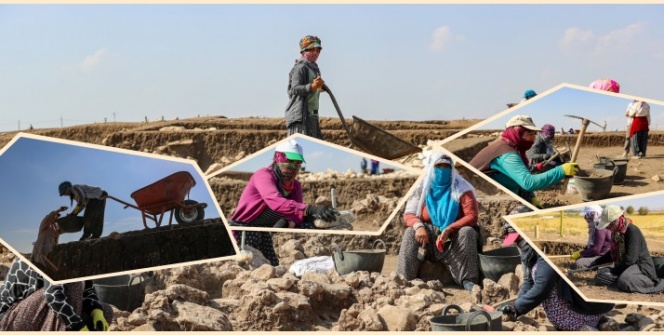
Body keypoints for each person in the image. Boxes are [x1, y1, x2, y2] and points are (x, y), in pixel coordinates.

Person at [229, 139, 337, 265]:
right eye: (290, 161)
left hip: (264, 232)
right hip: (243, 230)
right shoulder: (263, 175)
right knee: (248, 266)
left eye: (298, 163)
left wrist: (288, 221)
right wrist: (310, 209)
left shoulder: (295, 186)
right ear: (277, 158)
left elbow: (297, 216)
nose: (293, 166)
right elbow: (276, 201)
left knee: (271, 266)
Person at [498, 217, 615, 331]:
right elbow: (528, 282)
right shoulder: (528, 254)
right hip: (560, 310)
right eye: (516, 242)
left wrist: (516, 308)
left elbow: (541, 288)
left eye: (519, 240)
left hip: (571, 311)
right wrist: (515, 306)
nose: (519, 245)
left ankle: (591, 322)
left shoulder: (543, 254)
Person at [396, 152, 480, 291]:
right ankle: (404, 278)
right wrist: (419, 226)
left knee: (468, 232)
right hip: (427, 240)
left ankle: (468, 279)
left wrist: (450, 228)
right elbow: (409, 214)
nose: (442, 170)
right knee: (410, 232)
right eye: (438, 166)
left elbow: (472, 215)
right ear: (431, 168)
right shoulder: (422, 188)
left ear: (451, 168)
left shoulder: (462, 188)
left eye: (446, 166)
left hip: (452, 239)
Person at [469, 115, 579, 208]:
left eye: (534, 134)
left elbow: (521, 175)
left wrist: (531, 197)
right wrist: (561, 171)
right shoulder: (506, 153)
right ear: (516, 133)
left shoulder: (513, 147)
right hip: (483, 199)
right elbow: (528, 182)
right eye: (529, 134)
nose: (533, 138)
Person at [0, 258, 113, 331]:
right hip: (9, 321)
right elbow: (53, 295)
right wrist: (79, 327)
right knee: (73, 285)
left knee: (106, 310)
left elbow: (89, 289)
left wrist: (97, 312)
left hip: (39, 315)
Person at [591, 205, 664, 293]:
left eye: (610, 224)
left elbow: (630, 259)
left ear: (619, 218)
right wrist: (596, 262)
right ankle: (622, 282)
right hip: (627, 268)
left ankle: (658, 285)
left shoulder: (632, 231)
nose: (609, 227)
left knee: (625, 280)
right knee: (601, 276)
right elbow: (612, 253)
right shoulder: (616, 234)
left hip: (640, 267)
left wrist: (612, 270)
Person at [285, 35, 325, 139]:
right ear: (304, 50)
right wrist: (312, 86)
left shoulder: (314, 68)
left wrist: (319, 88)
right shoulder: (300, 68)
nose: (315, 53)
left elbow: (314, 88)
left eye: (318, 50)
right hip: (301, 116)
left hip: (312, 115)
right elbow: (294, 89)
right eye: (312, 49)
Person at [570, 205, 612, 269]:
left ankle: (600, 266)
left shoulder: (600, 228)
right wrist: (583, 252)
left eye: (587, 216)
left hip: (602, 257)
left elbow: (596, 250)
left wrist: (580, 253)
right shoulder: (600, 224)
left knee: (578, 263)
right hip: (604, 256)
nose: (586, 219)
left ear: (594, 215)